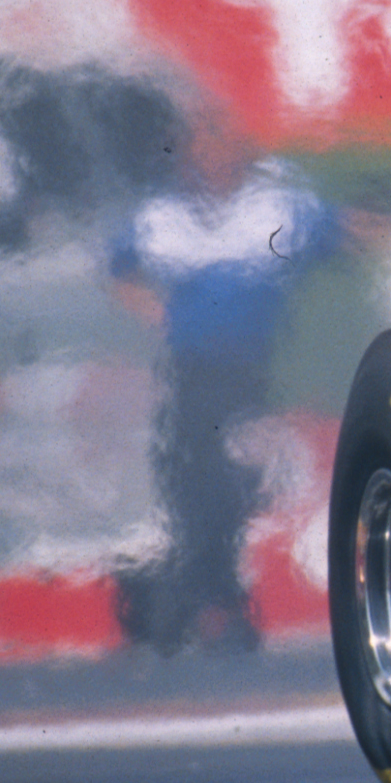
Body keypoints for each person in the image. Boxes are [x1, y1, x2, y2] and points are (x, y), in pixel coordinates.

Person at [109, 120, 346, 653]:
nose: (210, 160)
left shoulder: (276, 210)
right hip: (188, 372)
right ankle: (200, 599)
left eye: (220, 146)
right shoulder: (161, 218)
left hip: (248, 372)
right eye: (200, 148)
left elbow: (346, 232)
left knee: (229, 481)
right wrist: (154, 310)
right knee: (186, 483)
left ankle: (219, 598)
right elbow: (120, 266)